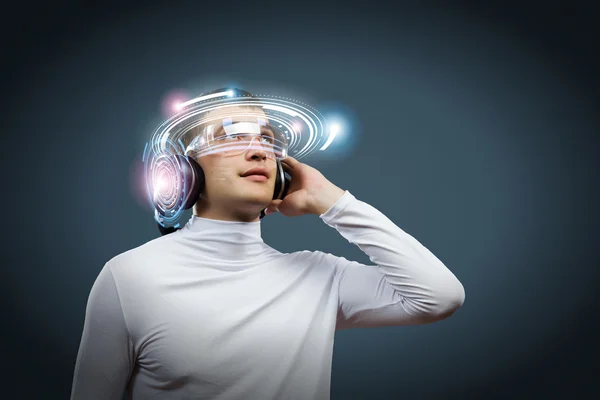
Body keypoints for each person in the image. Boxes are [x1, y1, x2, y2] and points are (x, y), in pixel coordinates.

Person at [70, 100, 466, 400]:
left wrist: (332, 201)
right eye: (231, 137)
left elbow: (439, 297)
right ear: (181, 170)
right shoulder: (130, 276)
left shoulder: (319, 276)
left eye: (267, 142)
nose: (259, 151)